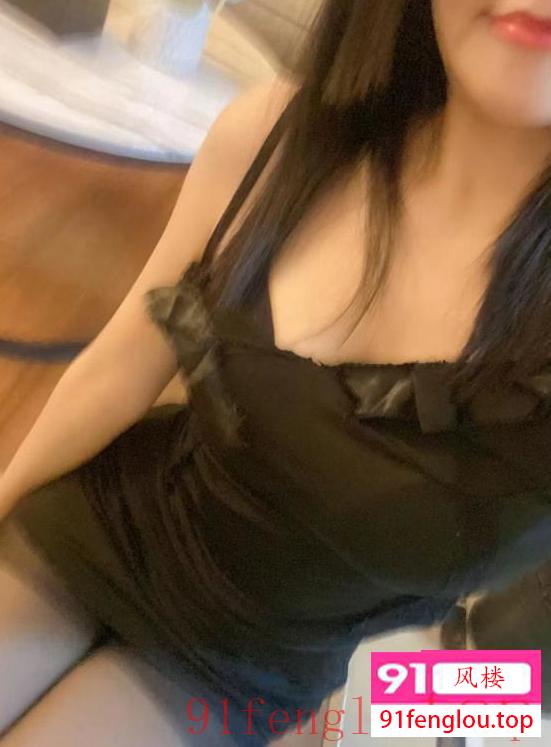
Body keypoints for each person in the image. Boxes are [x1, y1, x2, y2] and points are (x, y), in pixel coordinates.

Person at [2, 0, 551, 744]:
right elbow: (119, 367)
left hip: (243, 670)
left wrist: (371, 715)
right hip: (103, 521)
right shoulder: (279, 135)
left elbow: (525, 663)